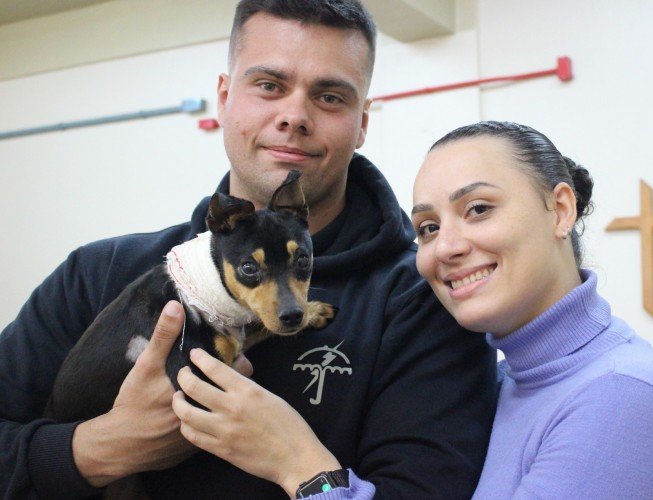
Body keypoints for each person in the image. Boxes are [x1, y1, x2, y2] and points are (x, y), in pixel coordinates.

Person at [0, 1, 498, 498]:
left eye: (329, 96)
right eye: (269, 86)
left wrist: (299, 463)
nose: (294, 116)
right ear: (223, 96)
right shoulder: (98, 273)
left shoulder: (426, 302)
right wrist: (99, 449)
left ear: (362, 121)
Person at [409, 121, 653, 499]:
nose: (445, 247)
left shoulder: (624, 398)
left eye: (478, 208)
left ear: (559, 210)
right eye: (428, 228)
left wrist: (316, 471)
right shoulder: (501, 383)